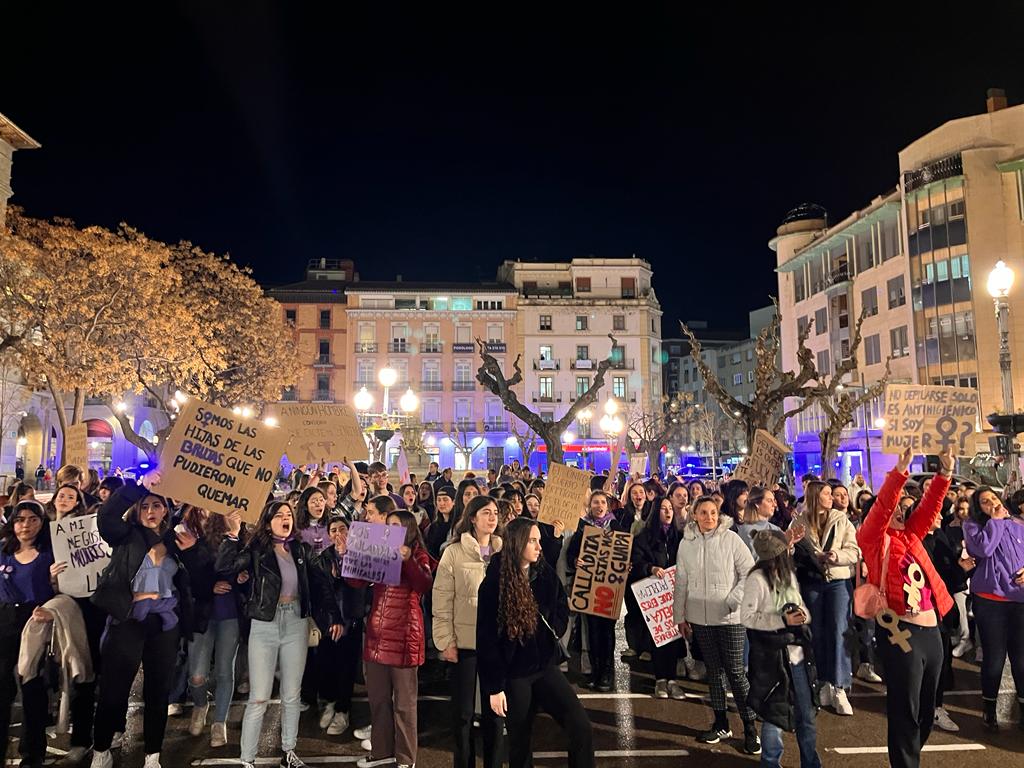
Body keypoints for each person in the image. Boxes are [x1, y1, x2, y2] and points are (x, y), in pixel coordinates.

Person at [89, 472, 210, 768]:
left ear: (166, 510)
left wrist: (193, 551)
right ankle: (102, 748)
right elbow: (106, 516)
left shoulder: (177, 540)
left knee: (158, 691)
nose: (151, 512)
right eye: (145, 506)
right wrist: (139, 487)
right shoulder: (124, 535)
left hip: (164, 624)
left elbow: (201, 580)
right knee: (114, 690)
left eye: (157, 506)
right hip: (128, 621)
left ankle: (152, 754)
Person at [216, 502, 341, 768]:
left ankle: (289, 751)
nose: (285, 519)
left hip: (296, 621)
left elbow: (321, 584)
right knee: (259, 696)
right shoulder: (256, 550)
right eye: (279, 516)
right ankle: (247, 759)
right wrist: (232, 534)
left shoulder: (301, 550)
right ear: (268, 521)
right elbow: (225, 567)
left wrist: (334, 616)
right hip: (265, 624)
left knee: (291, 694)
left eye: (288, 516)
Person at [856, 447, 954, 768]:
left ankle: (910, 756)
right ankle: (905, 764)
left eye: (903, 508)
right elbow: (883, 507)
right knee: (905, 710)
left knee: (927, 711)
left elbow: (930, 508)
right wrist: (898, 473)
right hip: (900, 631)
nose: (901, 511)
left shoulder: (912, 536)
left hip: (931, 632)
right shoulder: (872, 538)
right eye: (896, 508)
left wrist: (944, 475)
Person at [477, 517, 594, 768]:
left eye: (539, 540)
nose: (539, 547)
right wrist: (494, 688)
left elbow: (561, 605)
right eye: (533, 541)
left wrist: (554, 632)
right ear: (517, 543)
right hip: (514, 675)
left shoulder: (544, 573)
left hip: (544, 666)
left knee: (580, 725)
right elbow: (486, 640)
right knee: (520, 743)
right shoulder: (493, 583)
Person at [673, 495, 759, 754]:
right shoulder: (686, 544)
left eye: (713, 513)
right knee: (713, 671)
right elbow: (681, 582)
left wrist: (734, 599)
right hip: (700, 618)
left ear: (719, 514)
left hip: (730, 617)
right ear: (695, 515)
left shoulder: (731, 539)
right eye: (703, 513)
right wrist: (680, 616)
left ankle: (750, 727)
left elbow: (750, 572)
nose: (709, 517)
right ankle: (721, 723)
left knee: (735, 671)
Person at [350, 504, 432, 768]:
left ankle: (406, 759)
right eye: (388, 525)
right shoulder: (380, 551)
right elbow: (356, 581)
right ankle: (381, 752)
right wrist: (347, 554)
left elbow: (424, 585)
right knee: (379, 701)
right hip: (376, 633)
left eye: (396, 526)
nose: (390, 530)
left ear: (409, 530)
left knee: (405, 706)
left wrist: (407, 559)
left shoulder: (419, 555)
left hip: (404, 635)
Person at [433, 495, 504, 768]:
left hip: (496, 645)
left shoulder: (503, 551)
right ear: (472, 518)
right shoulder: (453, 553)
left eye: (495, 512)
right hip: (465, 644)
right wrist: (445, 641)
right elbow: (441, 600)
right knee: (463, 715)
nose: (492, 517)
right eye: (486, 512)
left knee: (495, 713)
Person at [742, 529, 821, 768]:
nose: (789, 552)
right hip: (772, 657)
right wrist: (781, 621)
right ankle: (770, 762)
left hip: (797, 655)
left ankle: (811, 763)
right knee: (773, 716)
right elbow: (746, 617)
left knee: (806, 715)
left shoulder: (788, 574)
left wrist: (801, 616)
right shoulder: (756, 579)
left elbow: (802, 606)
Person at [791, 480, 860, 716]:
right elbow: (790, 552)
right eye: (827, 493)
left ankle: (839, 686)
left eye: (832, 493)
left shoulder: (841, 520)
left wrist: (835, 556)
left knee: (840, 631)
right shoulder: (799, 522)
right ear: (814, 496)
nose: (831, 497)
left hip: (838, 582)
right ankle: (822, 681)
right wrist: (794, 547)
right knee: (817, 632)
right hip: (812, 582)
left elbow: (854, 551)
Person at [0, 499, 58, 768]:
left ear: (42, 522)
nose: (26, 525)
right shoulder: (3, 550)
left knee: (32, 688)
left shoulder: (51, 554)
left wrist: (56, 581)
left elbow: (63, 592)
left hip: (35, 621)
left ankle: (32, 754)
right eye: (20, 520)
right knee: (2, 688)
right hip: (4, 621)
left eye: (33, 519)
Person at [178, 506, 242, 746]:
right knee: (197, 675)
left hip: (231, 614)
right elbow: (191, 577)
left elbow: (243, 570)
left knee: (225, 671)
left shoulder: (244, 540)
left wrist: (242, 578)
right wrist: (210, 587)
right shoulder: (201, 540)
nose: (235, 515)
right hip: (204, 614)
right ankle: (200, 705)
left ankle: (219, 722)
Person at [963, 486, 1024, 730]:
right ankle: (989, 708)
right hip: (990, 601)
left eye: (995, 499)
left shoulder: (1018, 524)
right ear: (979, 508)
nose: (992, 504)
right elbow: (984, 549)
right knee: (995, 658)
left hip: (1019, 600)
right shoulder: (973, 527)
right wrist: (996, 521)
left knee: (1021, 659)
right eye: (985, 502)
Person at [566, 490, 634, 691]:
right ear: (590, 506)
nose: (599, 506)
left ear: (608, 505)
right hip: (589, 588)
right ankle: (595, 672)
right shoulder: (582, 528)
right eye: (595, 502)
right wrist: (575, 560)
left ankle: (607, 673)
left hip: (609, 589)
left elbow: (626, 553)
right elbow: (572, 553)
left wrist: (626, 564)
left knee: (606, 632)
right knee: (592, 632)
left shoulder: (616, 526)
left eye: (602, 502)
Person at [313, 516, 367, 737]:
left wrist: (346, 558)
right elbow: (324, 591)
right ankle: (331, 703)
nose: (338, 534)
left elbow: (359, 587)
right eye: (333, 530)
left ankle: (343, 710)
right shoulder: (323, 558)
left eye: (342, 529)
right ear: (328, 535)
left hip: (352, 620)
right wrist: (334, 620)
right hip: (331, 621)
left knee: (347, 667)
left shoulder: (360, 555)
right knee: (328, 664)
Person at [631, 496, 687, 697]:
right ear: (656, 513)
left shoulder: (679, 538)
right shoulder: (644, 538)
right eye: (664, 508)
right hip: (655, 598)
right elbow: (635, 563)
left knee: (674, 638)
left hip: (675, 595)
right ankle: (660, 680)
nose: (668, 512)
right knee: (659, 638)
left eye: (670, 508)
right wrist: (650, 568)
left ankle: (672, 680)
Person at [737, 487, 783, 555]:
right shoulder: (746, 531)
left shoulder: (776, 529)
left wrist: (789, 546)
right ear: (757, 504)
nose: (775, 505)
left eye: (774, 501)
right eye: (769, 501)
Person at [425, 487, 457, 559]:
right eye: (439, 500)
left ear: (454, 501)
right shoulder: (433, 526)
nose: (441, 503)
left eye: (445, 499)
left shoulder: (459, 525)